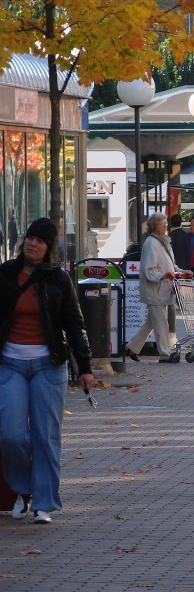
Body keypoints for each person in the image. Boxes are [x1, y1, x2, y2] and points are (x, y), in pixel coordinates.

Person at [0, 217, 93, 524]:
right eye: (30, 237)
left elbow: (75, 324)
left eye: (40, 240)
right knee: (11, 435)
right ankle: (24, 490)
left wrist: (85, 367)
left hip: (48, 365)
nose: (33, 243)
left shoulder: (58, 280)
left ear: (49, 248)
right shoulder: (5, 275)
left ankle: (44, 502)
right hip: (9, 363)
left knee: (45, 435)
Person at [126, 213, 191, 363]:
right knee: (161, 322)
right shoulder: (151, 244)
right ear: (154, 226)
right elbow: (149, 270)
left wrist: (181, 272)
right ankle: (165, 354)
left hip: (161, 290)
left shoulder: (162, 242)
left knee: (152, 321)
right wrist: (163, 276)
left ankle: (131, 347)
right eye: (163, 224)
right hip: (155, 290)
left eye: (166, 223)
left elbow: (170, 264)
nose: (166, 226)